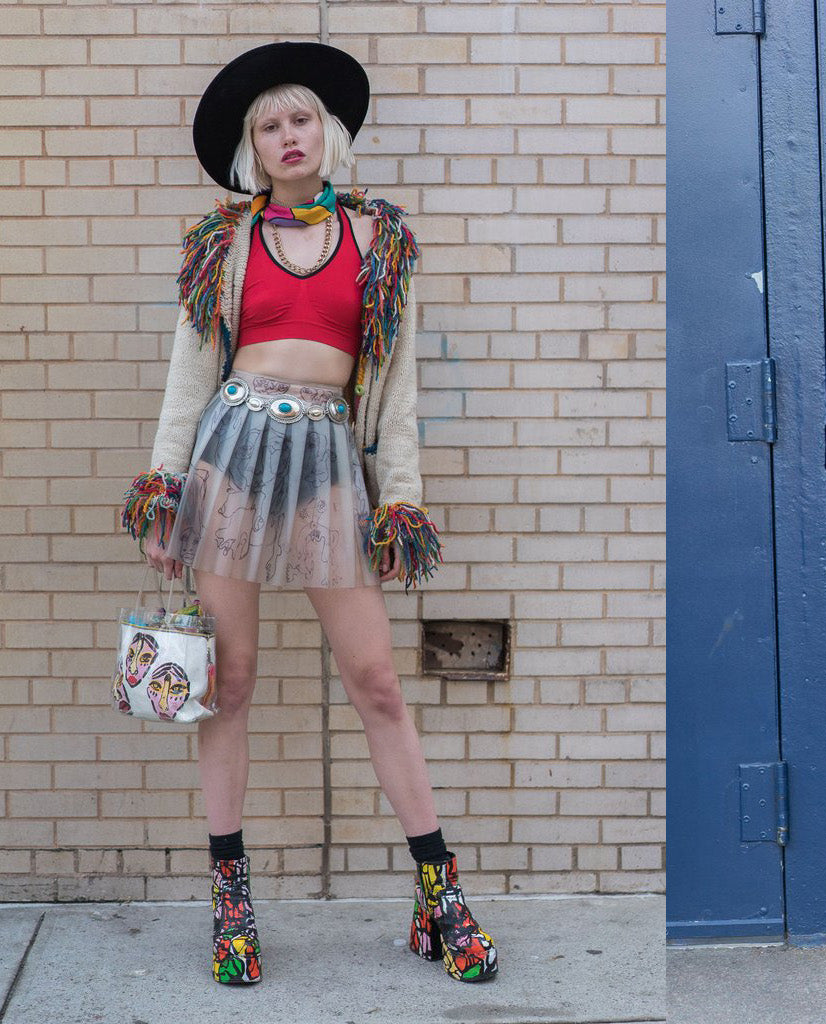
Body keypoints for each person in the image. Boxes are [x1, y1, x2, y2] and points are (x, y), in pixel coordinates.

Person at [119, 41, 497, 985]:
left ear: (328, 134)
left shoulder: (381, 242)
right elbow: (189, 372)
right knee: (231, 682)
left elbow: (395, 391)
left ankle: (437, 893)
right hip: (232, 457)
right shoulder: (226, 241)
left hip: (330, 458)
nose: (288, 137)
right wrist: (165, 490)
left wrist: (399, 499)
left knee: (376, 682)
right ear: (254, 149)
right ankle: (232, 901)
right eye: (270, 126)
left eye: (301, 121)